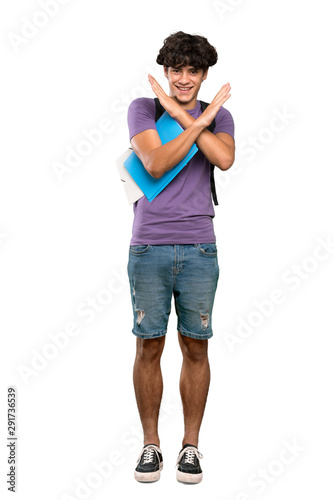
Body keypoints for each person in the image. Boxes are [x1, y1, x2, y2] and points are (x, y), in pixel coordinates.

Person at [126, 31, 235, 484]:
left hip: (199, 246)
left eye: (193, 71)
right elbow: (154, 164)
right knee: (149, 344)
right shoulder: (145, 109)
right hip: (148, 243)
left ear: (204, 73)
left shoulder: (221, 115)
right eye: (176, 70)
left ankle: (190, 447)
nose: (184, 78)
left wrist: (201, 120)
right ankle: (151, 446)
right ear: (167, 72)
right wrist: (187, 117)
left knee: (196, 345)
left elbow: (223, 159)